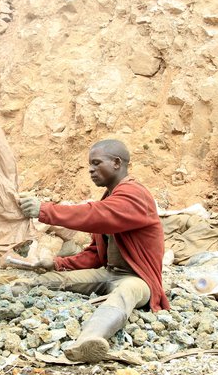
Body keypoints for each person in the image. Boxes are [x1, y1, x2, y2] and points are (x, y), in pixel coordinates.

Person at [16, 139, 170, 363]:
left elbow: (95, 215)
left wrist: (44, 210)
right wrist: (58, 264)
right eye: (90, 164)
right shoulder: (111, 197)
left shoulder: (135, 195)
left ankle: (88, 341)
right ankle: (12, 294)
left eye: (96, 163)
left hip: (138, 279)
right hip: (108, 273)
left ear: (117, 163)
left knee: (124, 294)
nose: (90, 169)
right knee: (53, 280)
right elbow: (96, 255)